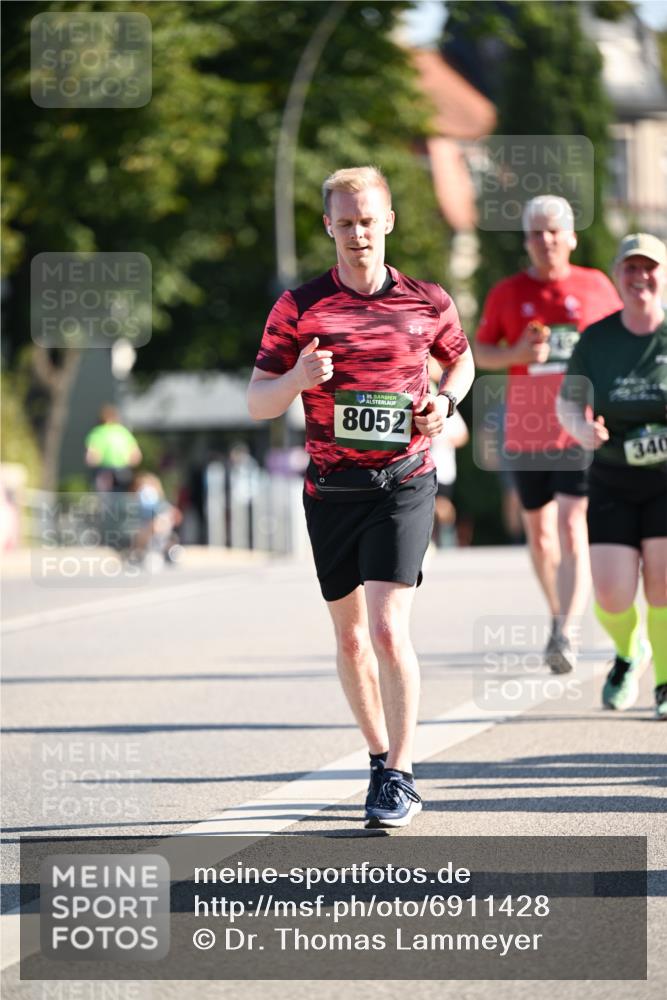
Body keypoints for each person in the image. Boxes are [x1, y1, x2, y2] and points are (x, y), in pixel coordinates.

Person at [247, 166, 474, 828]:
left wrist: (443, 400)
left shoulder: (426, 300)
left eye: (367, 220)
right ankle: (378, 757)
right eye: (344, 222)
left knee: (383, 626)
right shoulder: (299, 306)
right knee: (349, 641)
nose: (357, 234)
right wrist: (295, 376)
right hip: (331, 490)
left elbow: (459, 359)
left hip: (403, 479)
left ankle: (401, 774)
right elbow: (258, 401)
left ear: (388, 221)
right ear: (328, 227)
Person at [473, 196, 622, 673]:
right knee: (539, 536)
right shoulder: (506, 293)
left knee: (572, 527)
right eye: (536, 233)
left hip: (578, 428)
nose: (546, 240)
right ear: (526, 241)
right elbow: (479, 352)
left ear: (572, 236)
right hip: (527, 429)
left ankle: (566, 629)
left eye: (554, 231)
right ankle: (559, 612)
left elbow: (623, 341)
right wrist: (516, 351)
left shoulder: (596, 286)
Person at [558, 233, 667, 718]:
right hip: (613, 476)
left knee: (663, 579)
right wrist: (582, 427)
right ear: (618, 276)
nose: (640, 277)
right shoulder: (597, 340)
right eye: (631, 268)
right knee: (611, 591)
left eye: (650, 268)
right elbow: (566, 402)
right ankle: (629, 652)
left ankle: (664, 680)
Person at [85, 404, 142, 492]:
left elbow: (91, 457)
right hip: (123, 471)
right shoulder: (124, 432)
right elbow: (136, 456)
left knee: (105, 500)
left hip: (104, 471)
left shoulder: (98, 432)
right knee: (121, 498)